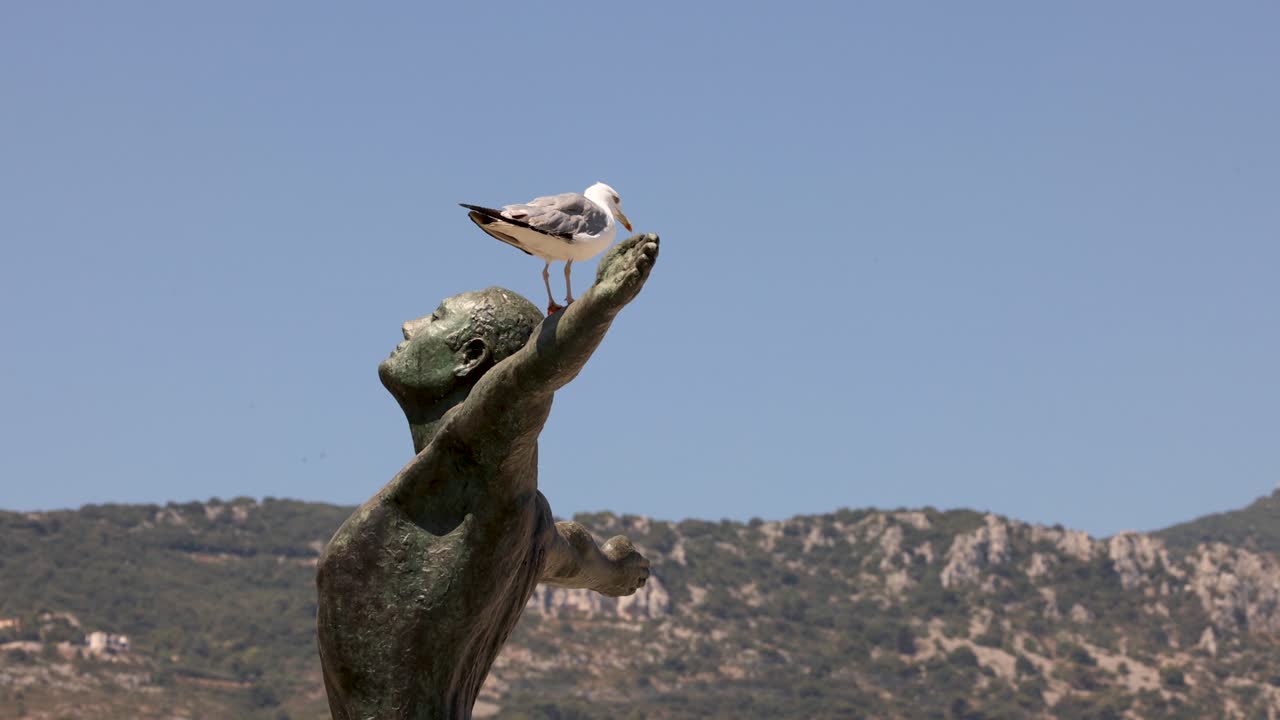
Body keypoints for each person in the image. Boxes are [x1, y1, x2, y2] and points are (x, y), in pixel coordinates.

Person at [317, 234, 660, 720]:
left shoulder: (476, 463)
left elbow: (526, 378)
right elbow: (574, 555)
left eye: (436, 318)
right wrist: (614, 571)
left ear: (471, 357)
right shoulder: (515, 523)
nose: (410, 325)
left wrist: (598, 305)